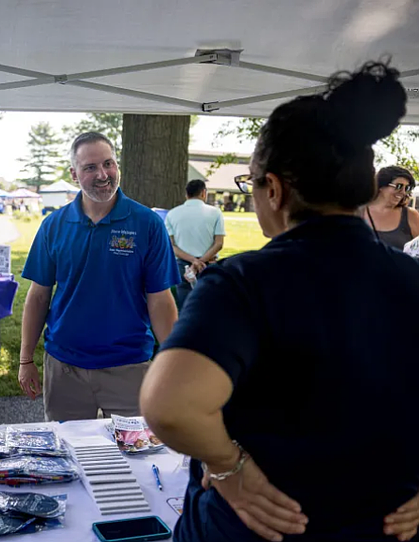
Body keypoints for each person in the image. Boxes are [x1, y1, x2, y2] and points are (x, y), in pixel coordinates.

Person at [140, 62, 419, 542]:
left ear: (275, 188)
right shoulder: (413, 276)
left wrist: (230, 468)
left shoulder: (244, 282)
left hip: (259, 529)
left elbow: (170, 405)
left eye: (251, 185)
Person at [18, 132, 180, 421]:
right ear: (74, 174)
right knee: (68, 455)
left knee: (137, 456)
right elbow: (39, 295)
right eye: (90, 167)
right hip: (65, 367)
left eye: (109, 164)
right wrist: (26, 358)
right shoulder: (54, 225)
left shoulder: (147, 224)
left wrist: (174, 362)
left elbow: (160, 300)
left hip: (129, 366)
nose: (103, 174)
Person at [164, 179, 225, 306]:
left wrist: (193, 261)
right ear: (204, 193)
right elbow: (219, 243)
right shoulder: (215, 213)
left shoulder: (172, 214)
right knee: (208, 306)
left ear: (187, 194)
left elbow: (171, 245)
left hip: (182, 265)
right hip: (208, 264)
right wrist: (200, 261)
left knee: (185, 307)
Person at [362, 166, 419, 250]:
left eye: (407, 188)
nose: (403, 192)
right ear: (381, 186)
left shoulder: (410, 215)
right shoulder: (358, 212)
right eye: (399, 186)